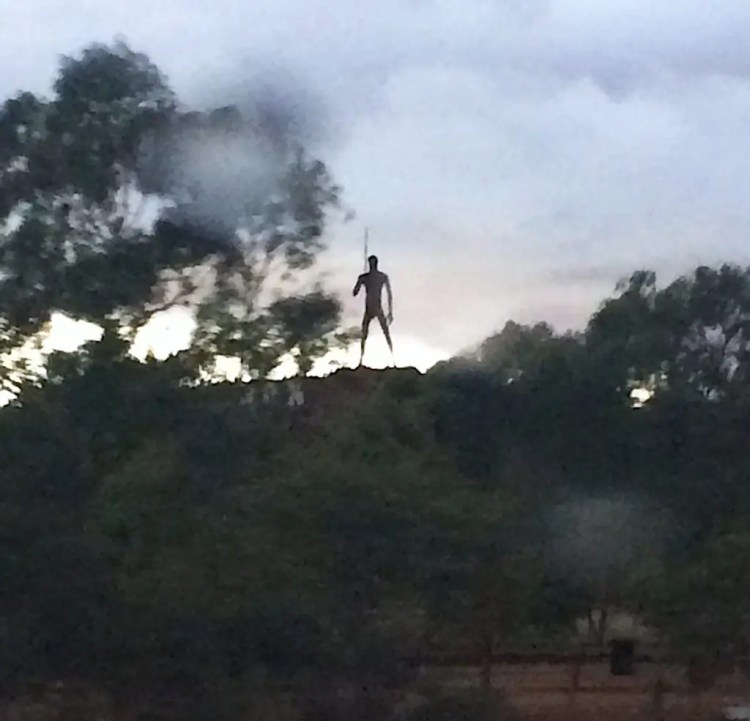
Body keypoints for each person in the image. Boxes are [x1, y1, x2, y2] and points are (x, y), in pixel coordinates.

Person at [353, 255, 394, 366]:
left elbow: (389, 294)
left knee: (384, 332)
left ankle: (393, 358)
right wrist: (360, 282)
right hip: (371, 307)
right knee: (365, 333)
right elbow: (355, 293)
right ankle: (361, 360)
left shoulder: (380, 277)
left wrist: (390, 311)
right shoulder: (369, 277)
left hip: (376, 307)